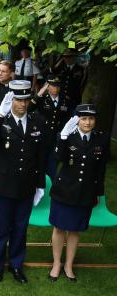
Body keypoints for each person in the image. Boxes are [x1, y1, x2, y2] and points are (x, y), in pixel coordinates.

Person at [0, 80, 48, 284]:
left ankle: (17, 265)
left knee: (21, 227)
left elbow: (40, 156)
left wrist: (40, 184)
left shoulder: (38, 122)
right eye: (18, 100)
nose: (22, 104)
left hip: (26, 185)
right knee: (3, 228)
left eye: (26, 100)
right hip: (4, 185)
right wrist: (0, 117)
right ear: (11, 99)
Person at [48, 105, 109, 282]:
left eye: (91, 119)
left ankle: (68, 264)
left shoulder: (101, 139)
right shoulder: (69, 137)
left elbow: (101, 169)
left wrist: (98, 192)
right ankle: (56, 263)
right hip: (64, 191)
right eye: (83, 118)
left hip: (85, 192)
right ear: (77, 120)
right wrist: (62, 137)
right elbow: (57, 158)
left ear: (94, 120)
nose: (87, 122)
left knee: (75, 230)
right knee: (59, 228)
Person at [32, 75, 69, 178]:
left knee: (53, 165)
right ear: (47, 87)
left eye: (58, 86)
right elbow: (29, 108)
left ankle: (51, 187)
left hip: (56, 138)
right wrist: (38, 94)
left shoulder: (65, 100)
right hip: (42, 136)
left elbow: (67, 118)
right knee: (40, 163)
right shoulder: (41, 98)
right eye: (53, 86)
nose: (56, 88)